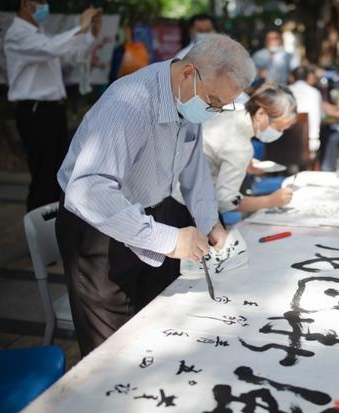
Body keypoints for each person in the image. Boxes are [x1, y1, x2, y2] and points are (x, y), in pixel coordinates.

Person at [55, 34, 256, 357]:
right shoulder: (129, 103)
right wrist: (170, 240)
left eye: (222, 106)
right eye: (214, 101)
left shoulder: (189, 99)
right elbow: (88, 189)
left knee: (154, 323)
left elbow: (194, 169)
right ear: (189, 72)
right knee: (113, 350)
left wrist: (211, 225)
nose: (214, 111)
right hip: (98, 227)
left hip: (149, 213)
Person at [4, 0, 100, 212]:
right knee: (44, 178)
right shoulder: (17, 35)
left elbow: (70, 56)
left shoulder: (40, 33)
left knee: (57, 175)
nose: (44, 5)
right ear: (25, 4)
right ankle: (37, 235)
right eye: (40, 1)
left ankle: (51, 232)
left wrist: (90, 34)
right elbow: (50, 48)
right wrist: (81, 27)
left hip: (52, 110)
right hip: (36, 111)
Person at [173, 83, 297, 214]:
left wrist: (246, 165)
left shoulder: (233, 109)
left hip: (169, 183)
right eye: (279, 128)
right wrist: (270, 201)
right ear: (261, 113)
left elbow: (217, 148)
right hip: (183, 205)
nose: (280, 133)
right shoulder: (241, 147)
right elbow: (226, 201)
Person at [289, 65, 322, 152]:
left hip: (286, 140)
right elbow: (318, 116)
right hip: (310, 141)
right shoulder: (315, 93)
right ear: (308, 77)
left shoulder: (286, 91)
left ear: (292, 77)